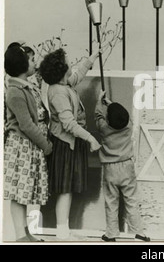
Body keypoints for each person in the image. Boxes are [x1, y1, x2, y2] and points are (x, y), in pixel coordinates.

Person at [39, 48, 101, 240]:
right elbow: (68, 123)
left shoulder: (63, 84)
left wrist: (92, 58)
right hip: (65, 145)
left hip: (70, 145)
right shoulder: (58, 92)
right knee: (65, 190)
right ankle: (62, 232)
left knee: (68, 189)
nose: (71, 63)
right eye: (68, 61)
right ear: (61, 68)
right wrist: (90, 138)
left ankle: (63, 230)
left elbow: (76, 77)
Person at [4, 43, 53, 242]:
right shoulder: (15, 91)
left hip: (30, 146)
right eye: (32, 60)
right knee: (18, 193)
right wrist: (45, 145)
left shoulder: (27, 85)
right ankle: (19, 235)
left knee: (24, 192)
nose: (35, 63)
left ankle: (25, 233)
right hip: (22, 147)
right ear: (23, 64)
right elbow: (26, 125)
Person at [95, 91, 150, 242]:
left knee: (111, 201)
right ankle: (139, 233)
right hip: (127, 166)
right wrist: (112, 104)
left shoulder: (103, 128)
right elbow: (123, 116)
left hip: (110, 168)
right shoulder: (128, 126)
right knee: (131, 200)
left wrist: (101, 102)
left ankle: (111, 234)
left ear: (107, 119)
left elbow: (98, 115)